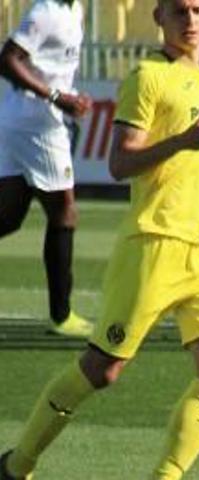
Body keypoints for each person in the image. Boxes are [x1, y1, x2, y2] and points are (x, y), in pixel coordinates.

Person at [0, 1, 199, 480]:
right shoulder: (146, 76)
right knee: (103, 370)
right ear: (159, 17)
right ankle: (14, 467)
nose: (191, 19)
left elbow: (180, 161)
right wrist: (183, 140)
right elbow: (120, 162)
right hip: (154, 246)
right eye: (180, 10)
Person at [0, 0, 94, 337]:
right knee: (64, 213)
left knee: (8, 216)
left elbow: (50, 67)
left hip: (19, 121)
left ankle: (61, 314)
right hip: (37, 127)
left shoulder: (75, 9)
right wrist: (56, 96)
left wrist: (68, 98)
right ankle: (62, 315)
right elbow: (7, 59)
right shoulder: (46, 12)